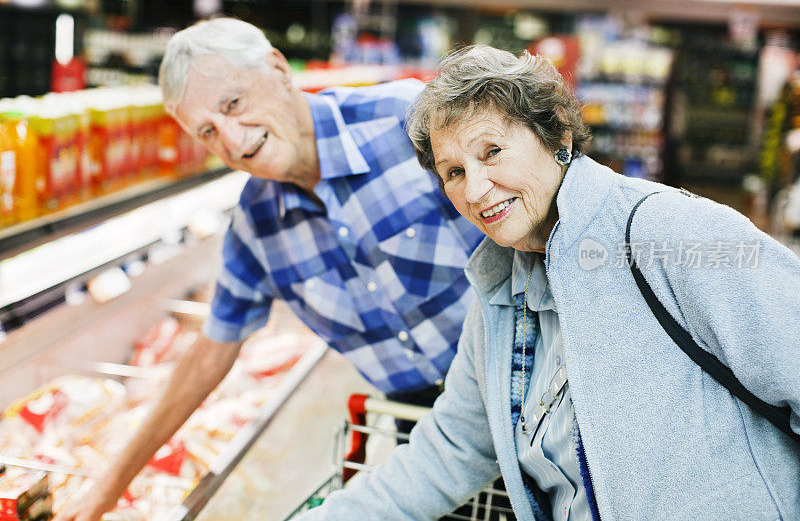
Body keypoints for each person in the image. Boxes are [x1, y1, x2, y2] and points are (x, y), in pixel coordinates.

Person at [297, 45, 800, 520]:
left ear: (556, 133)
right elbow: (453, 448)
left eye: (491, 151)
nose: (474, 189)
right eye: (452, 172)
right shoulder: (500, 298)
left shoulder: (666, 234)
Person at [55, 18, 484, 521]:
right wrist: (102, 495)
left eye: (234, 104)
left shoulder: (408, 119)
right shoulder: (256, 226)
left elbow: (541, 222)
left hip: (525, 381)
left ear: (278, 69)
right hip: (424, 430)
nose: (233, 143)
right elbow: (207, 359)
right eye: (208, 132)